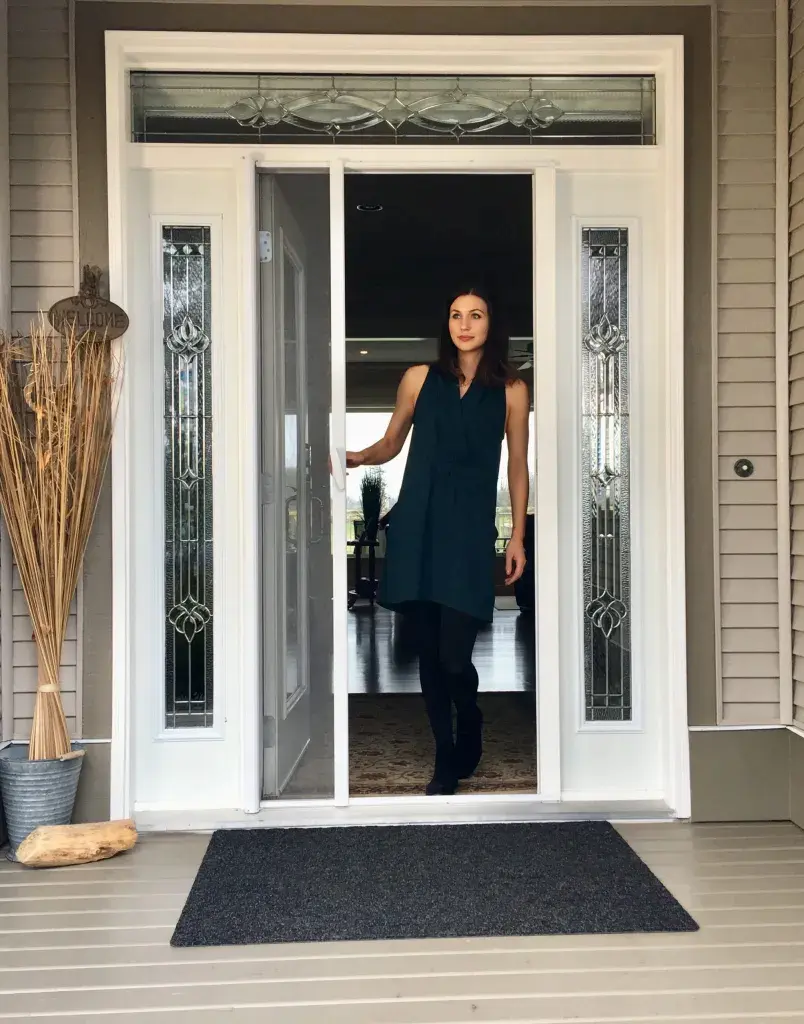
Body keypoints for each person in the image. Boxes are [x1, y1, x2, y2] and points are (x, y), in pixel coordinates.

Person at [345, 286, 530, 795]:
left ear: (492, 324)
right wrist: (360, 457)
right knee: (428, 652)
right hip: (417, 529)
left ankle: (469, 717)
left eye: (475, 315)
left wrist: (516, 535)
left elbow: (516, 464)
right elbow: (391, 441)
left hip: (468, 533)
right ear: (446, 323)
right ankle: (445, 757)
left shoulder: (513, 390)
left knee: (454, 656)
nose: (464, 324)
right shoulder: (419, 379)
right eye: (455, 315)